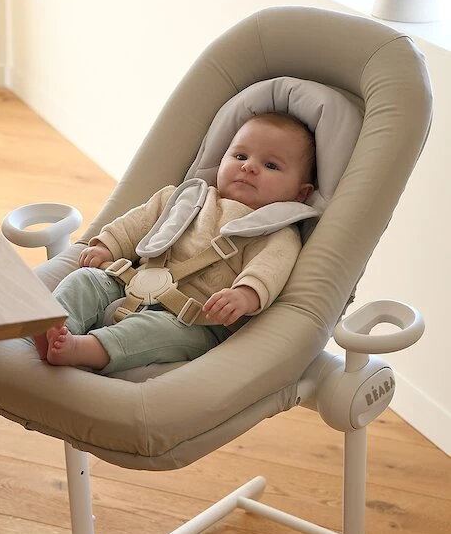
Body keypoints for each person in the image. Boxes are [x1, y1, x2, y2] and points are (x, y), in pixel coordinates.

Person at [34, 112, 316, 373]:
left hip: (194, 319)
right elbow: (139, 222)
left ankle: (83, 349)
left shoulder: (277, 233)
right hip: (134, 282)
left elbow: (269, 270)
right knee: (85, 280)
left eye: (271, 165)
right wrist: (107, 246)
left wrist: (244, 295)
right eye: (240, 155)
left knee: (149, 331)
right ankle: (55, 326)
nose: (249, 167)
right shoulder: (187, 197)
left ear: (300, 194)